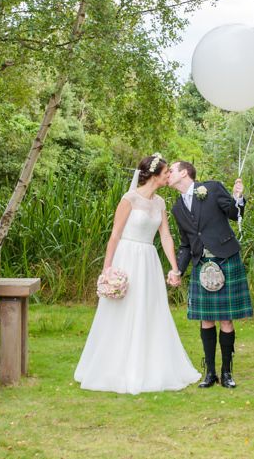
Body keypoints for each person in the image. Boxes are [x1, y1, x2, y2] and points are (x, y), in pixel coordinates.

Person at [74, 154, 201, 394]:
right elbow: (115, 235)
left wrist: (175, 268)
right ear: (154, 175)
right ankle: (115, 366)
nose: (168, 176)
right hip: (127, 257)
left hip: (149, 260)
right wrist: (107, 269)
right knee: (123, 309)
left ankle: (149, 364)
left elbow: (165, 236)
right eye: (166, 172)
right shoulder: (129, 199)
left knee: (150, 309)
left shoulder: (160, 203)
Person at [168, 161, 253, 389]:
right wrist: (178, 269)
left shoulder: (212, 188)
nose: (167, 175)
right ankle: (210, 373)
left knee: (226, 319)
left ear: (184, 173)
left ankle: (226, 373)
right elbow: (186, 244)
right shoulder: (177, 208)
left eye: (171, 171)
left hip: (226, 259)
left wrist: (237, 198)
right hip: (201, 264)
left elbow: (234, 214)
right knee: (206, 319)